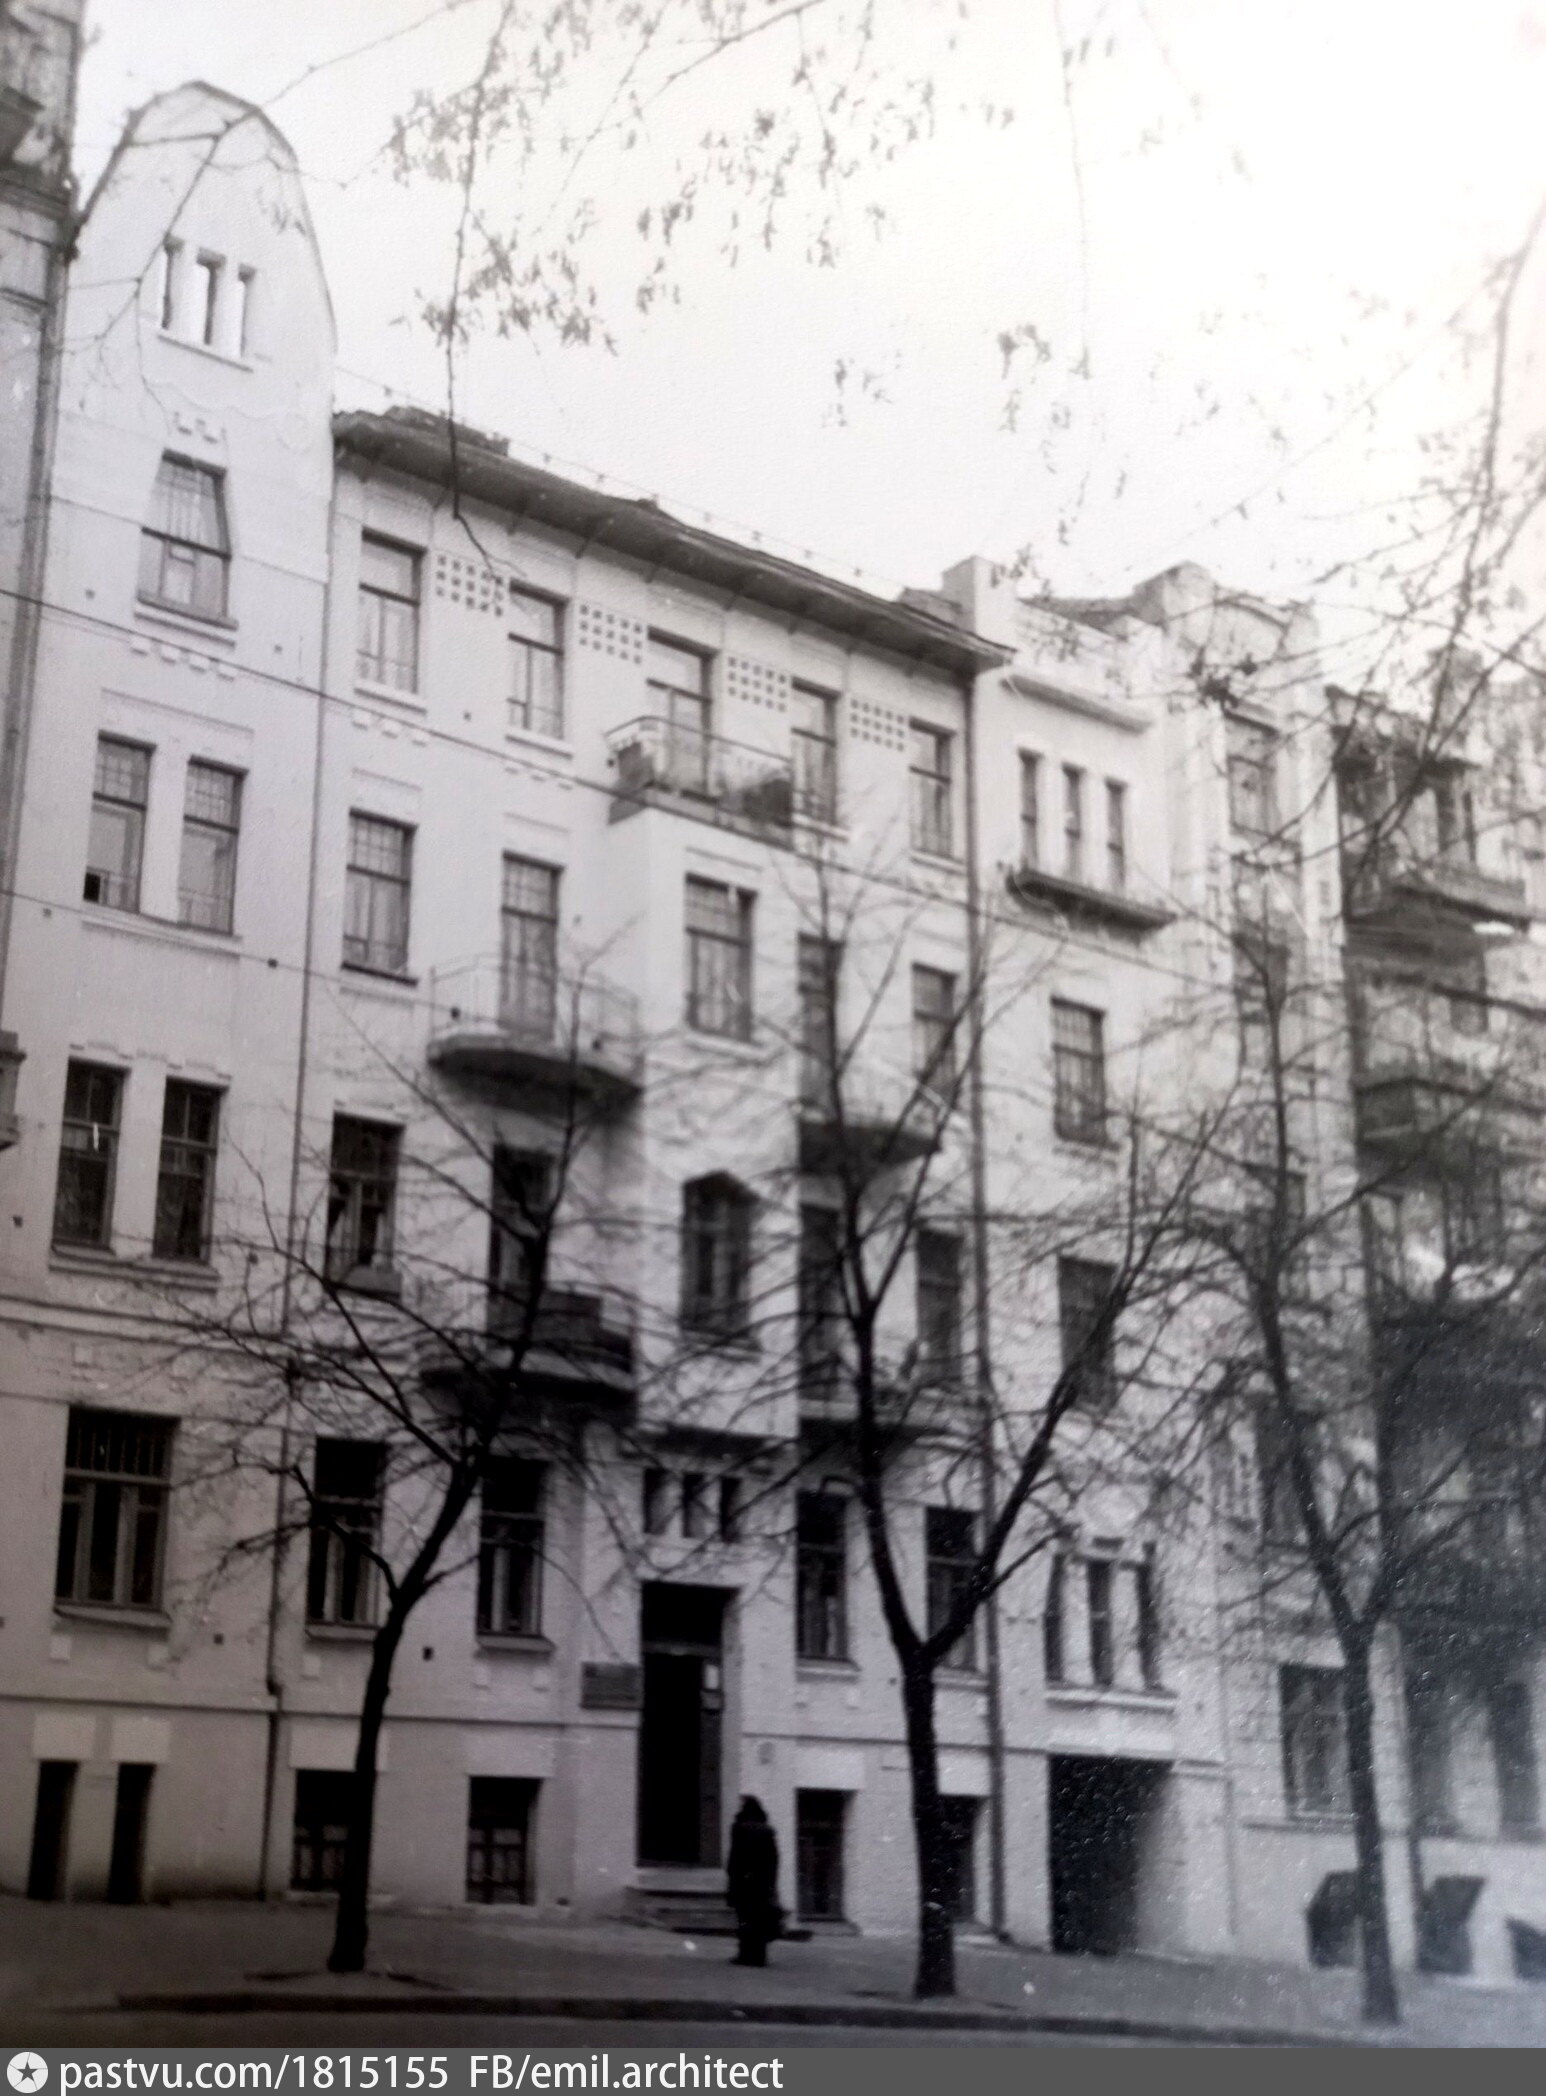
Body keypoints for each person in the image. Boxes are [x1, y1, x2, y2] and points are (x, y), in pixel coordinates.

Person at [726, 1795, 782, 1966]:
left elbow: (735, 1856)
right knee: (760, 1919)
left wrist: (732, 1877)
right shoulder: (768, 1830)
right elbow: (774, 1859)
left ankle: (745, 1954)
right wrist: (771, 1882)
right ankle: (759, 1956)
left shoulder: (739, 1827)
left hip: (744, 1881)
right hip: (762, 1882)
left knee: (744, 1918)